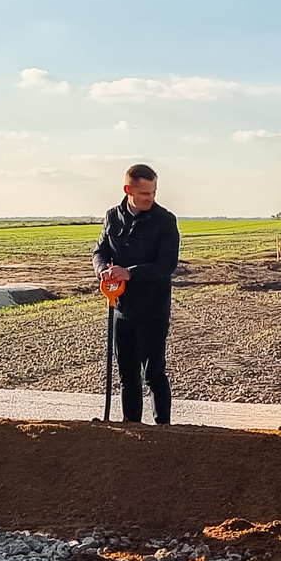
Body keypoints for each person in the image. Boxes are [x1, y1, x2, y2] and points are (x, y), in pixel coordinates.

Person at [93, 163, 181, 424]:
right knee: (127, 374)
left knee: (154, 373)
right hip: (121, 307)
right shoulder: (112, 217)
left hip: (153, 308)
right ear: (128, 190)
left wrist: (129, 273)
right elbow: (100, 252)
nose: (150, 198)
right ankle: (131, 428)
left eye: (153, 192)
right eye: (144, 193)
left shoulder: (165, 221)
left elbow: (167, 264)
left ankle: (163, 429)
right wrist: (102, 271)